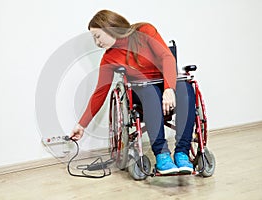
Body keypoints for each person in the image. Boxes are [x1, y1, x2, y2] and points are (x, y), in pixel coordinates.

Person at [70, 10, 195, 174]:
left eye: (97, 36)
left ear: (110, 27)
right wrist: (82, 124)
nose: (96, 42)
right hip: (142, 91)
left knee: (186, 88)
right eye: (94, 38)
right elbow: (100, 92)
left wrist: (169, 89)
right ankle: (162, 155)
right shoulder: (109, 58)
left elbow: (167, 57)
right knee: (150, 91)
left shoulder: (145, 31)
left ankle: (182, 153)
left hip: (166, 81)